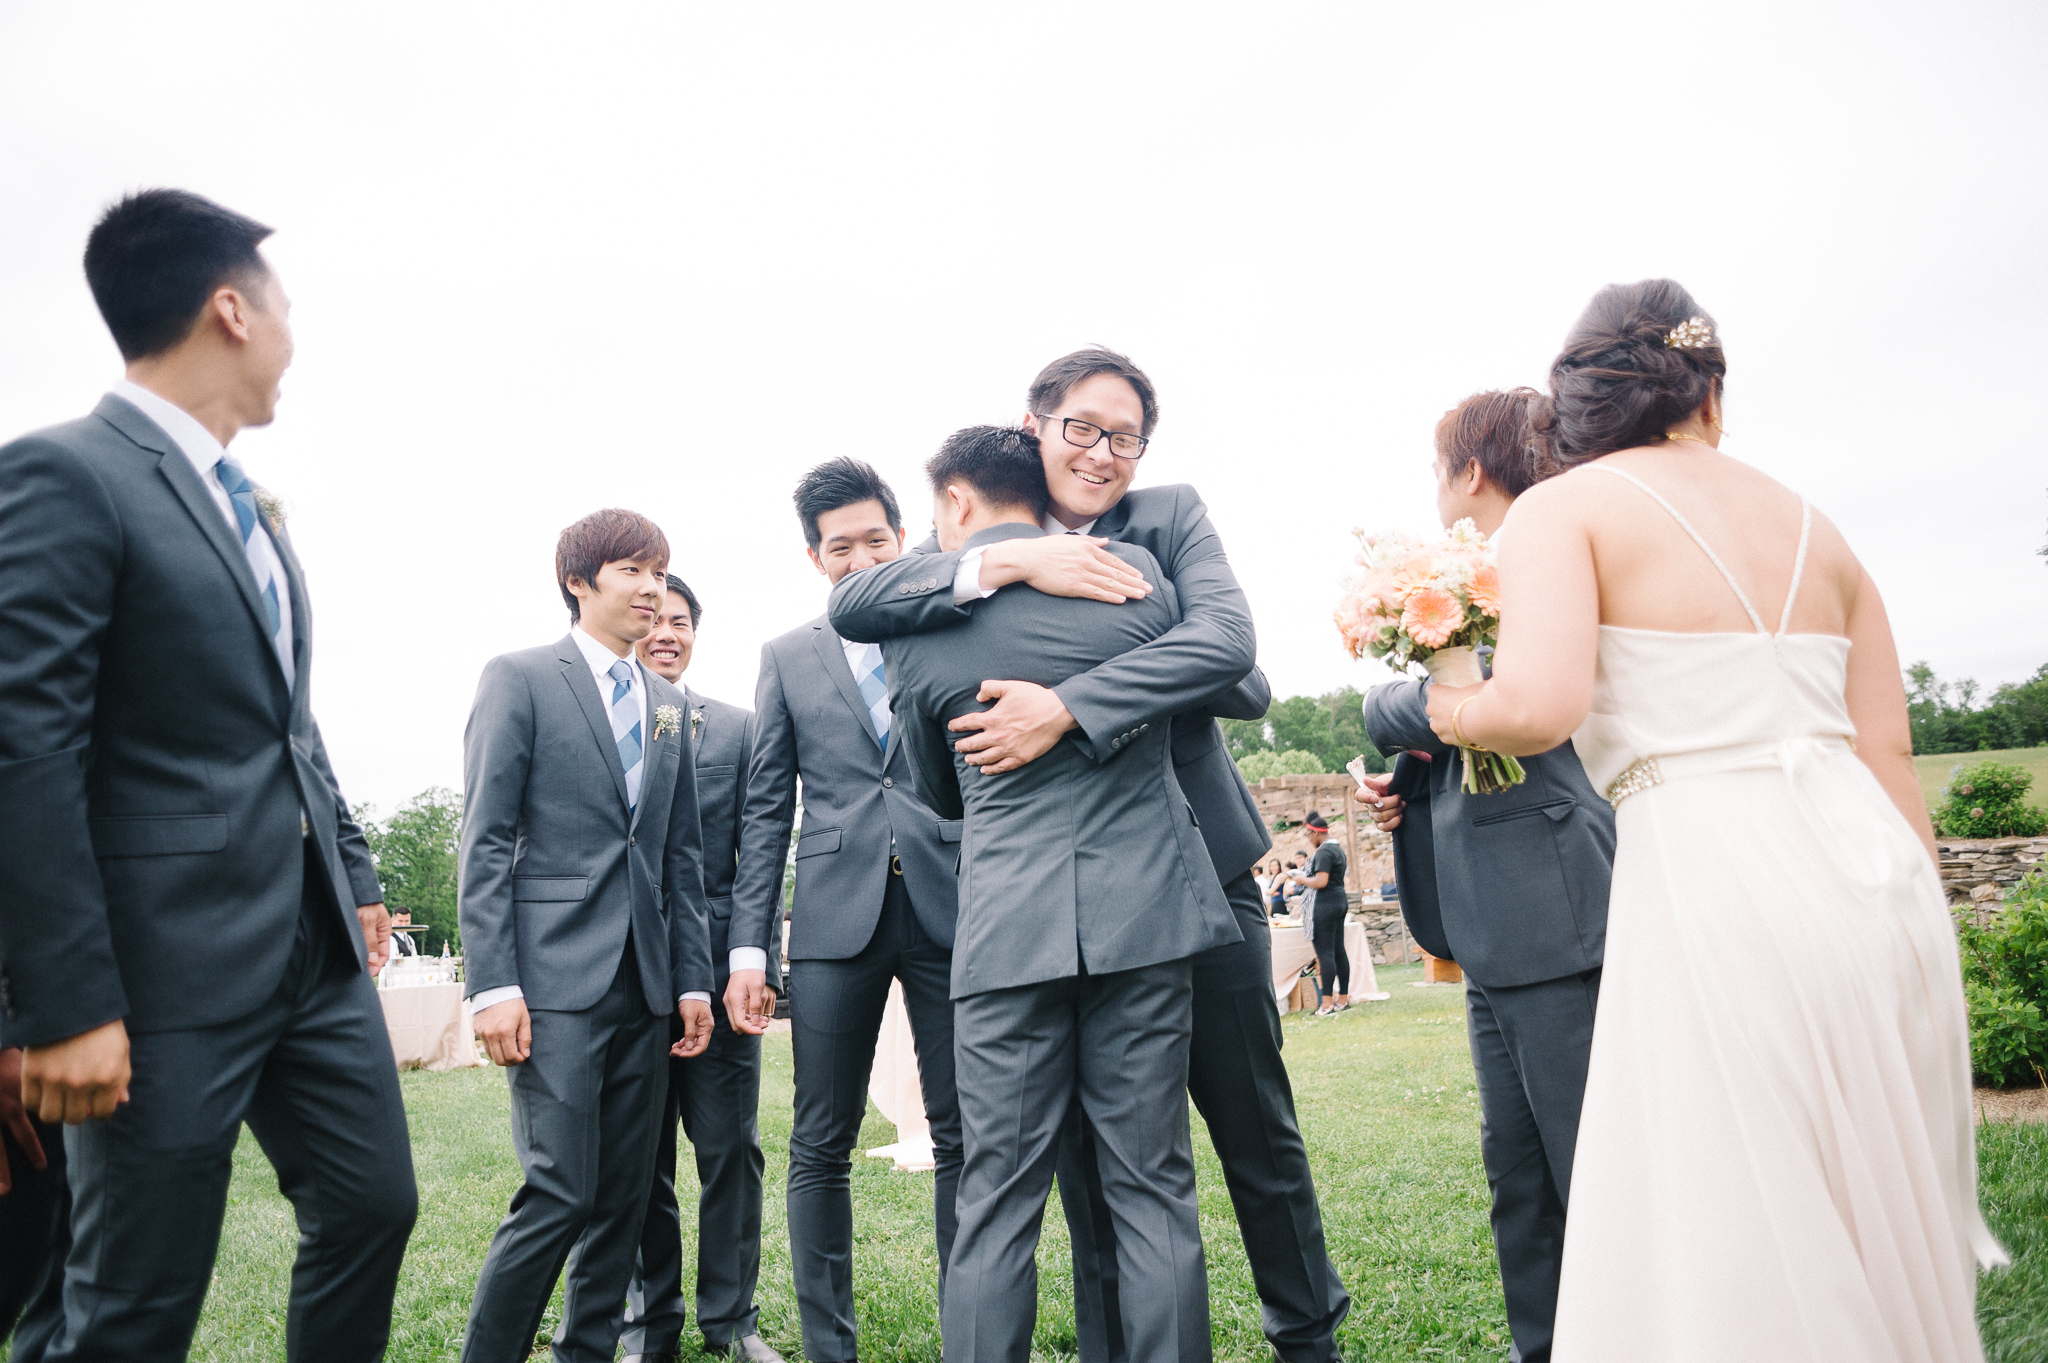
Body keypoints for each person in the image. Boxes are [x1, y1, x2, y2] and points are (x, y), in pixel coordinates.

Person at [1428, 280, 2002, 1359]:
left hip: (1711, 868)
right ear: (1709, 393)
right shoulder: (1814, 524)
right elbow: (1883, 748)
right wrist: (1921, 926)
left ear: (1581, 403)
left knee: (1731, 1199)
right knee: (1858, 1187)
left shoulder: (1564, 508)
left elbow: (1537, 705)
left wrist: (1441, 702)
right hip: (1870, 876)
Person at [831, 349, 1349, 1363]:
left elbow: (1239, 669)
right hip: (1120, 901)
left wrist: (1072, 703)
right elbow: (850, 603)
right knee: (1114, 1175)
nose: (1104, 452)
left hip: (1191, 873)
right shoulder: (959, 576)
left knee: (1251, 1130)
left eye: (1124, 436)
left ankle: (1307, 1334)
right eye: (1082, 428)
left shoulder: (1159, 529)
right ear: (1035, 428)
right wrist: (1013, 563)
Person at [0, 188, 417, 1361]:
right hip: (159, 963)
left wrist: (352, 867)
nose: (294, 333)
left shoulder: (251, 511)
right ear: (231, 309)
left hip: (311, 951)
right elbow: (24, 748)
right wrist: (67, 1003)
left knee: (376, 1206)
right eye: (285, 306)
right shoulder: (65, 475)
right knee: (133, 1301)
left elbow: (289, 726)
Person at [882, 425, 1241, 1363]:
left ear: (958, 505)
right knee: (1153, 1186)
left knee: (997, 1194)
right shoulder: (1137, 588)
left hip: (1007, 929)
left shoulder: (922, 635)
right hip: (1146, 918)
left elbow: (931, 786)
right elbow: (1224, 666)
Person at [1355, 387, 1613, 1363]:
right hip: (1486, 923)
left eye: (1437, 467)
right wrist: (1412, 785)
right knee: (1516, 1169)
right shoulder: (1480, 583)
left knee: (1583, 1163)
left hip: (1552, 912)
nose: (1433, 487)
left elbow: (1511, 709)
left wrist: (1402, 709)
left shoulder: (1547, 568)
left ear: (1470, 471)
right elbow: (1463, 718)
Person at [457, 509, 717, 1363]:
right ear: (579, 580)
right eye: (634, 571)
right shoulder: (522, 677)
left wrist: (689, 981)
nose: (653, 590)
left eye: (662, 572)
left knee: (624, 1195)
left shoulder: (671, 705)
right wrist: (492, 983)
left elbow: (679, 854)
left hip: (645, 985)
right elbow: (486, 836)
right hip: (552, 982)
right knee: (560, 1189)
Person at [728, 459, 964, 1363]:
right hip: (832, 916)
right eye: (840, 545)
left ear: (903, 539)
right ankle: (831, 1347)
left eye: (875, 538)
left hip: (952, 904)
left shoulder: (951, 628)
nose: (860, 555)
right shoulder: (787, 656)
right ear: (814, 557)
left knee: (962, 1133)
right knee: (819, 1139)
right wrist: (751, 947)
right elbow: (763, 808)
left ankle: (968, 1334)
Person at [622, 576, 784, 1363]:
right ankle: (646, 1323)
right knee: (635, 1159)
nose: (665, 632)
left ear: (694, 635)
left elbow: (762, 854)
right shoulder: (601, 721)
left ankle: (733, 1321)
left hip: (719, 974)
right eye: (652, 617)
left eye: (680, 621)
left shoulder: (740, 729)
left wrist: (753, 960)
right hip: (622, 974)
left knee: (729, 1150)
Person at [1290, 813, 1350, 1016]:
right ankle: (1343, 999)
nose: (1308, 839)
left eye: (1308, 834)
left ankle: (1326, 1004)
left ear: (1316, 832)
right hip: (1340, 900)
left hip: (1324, 904)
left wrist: (1300, 879)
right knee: (1339, 951)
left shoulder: (1324, 852)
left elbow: (1320, 882)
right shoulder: (1338, 850)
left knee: (1325, 954)